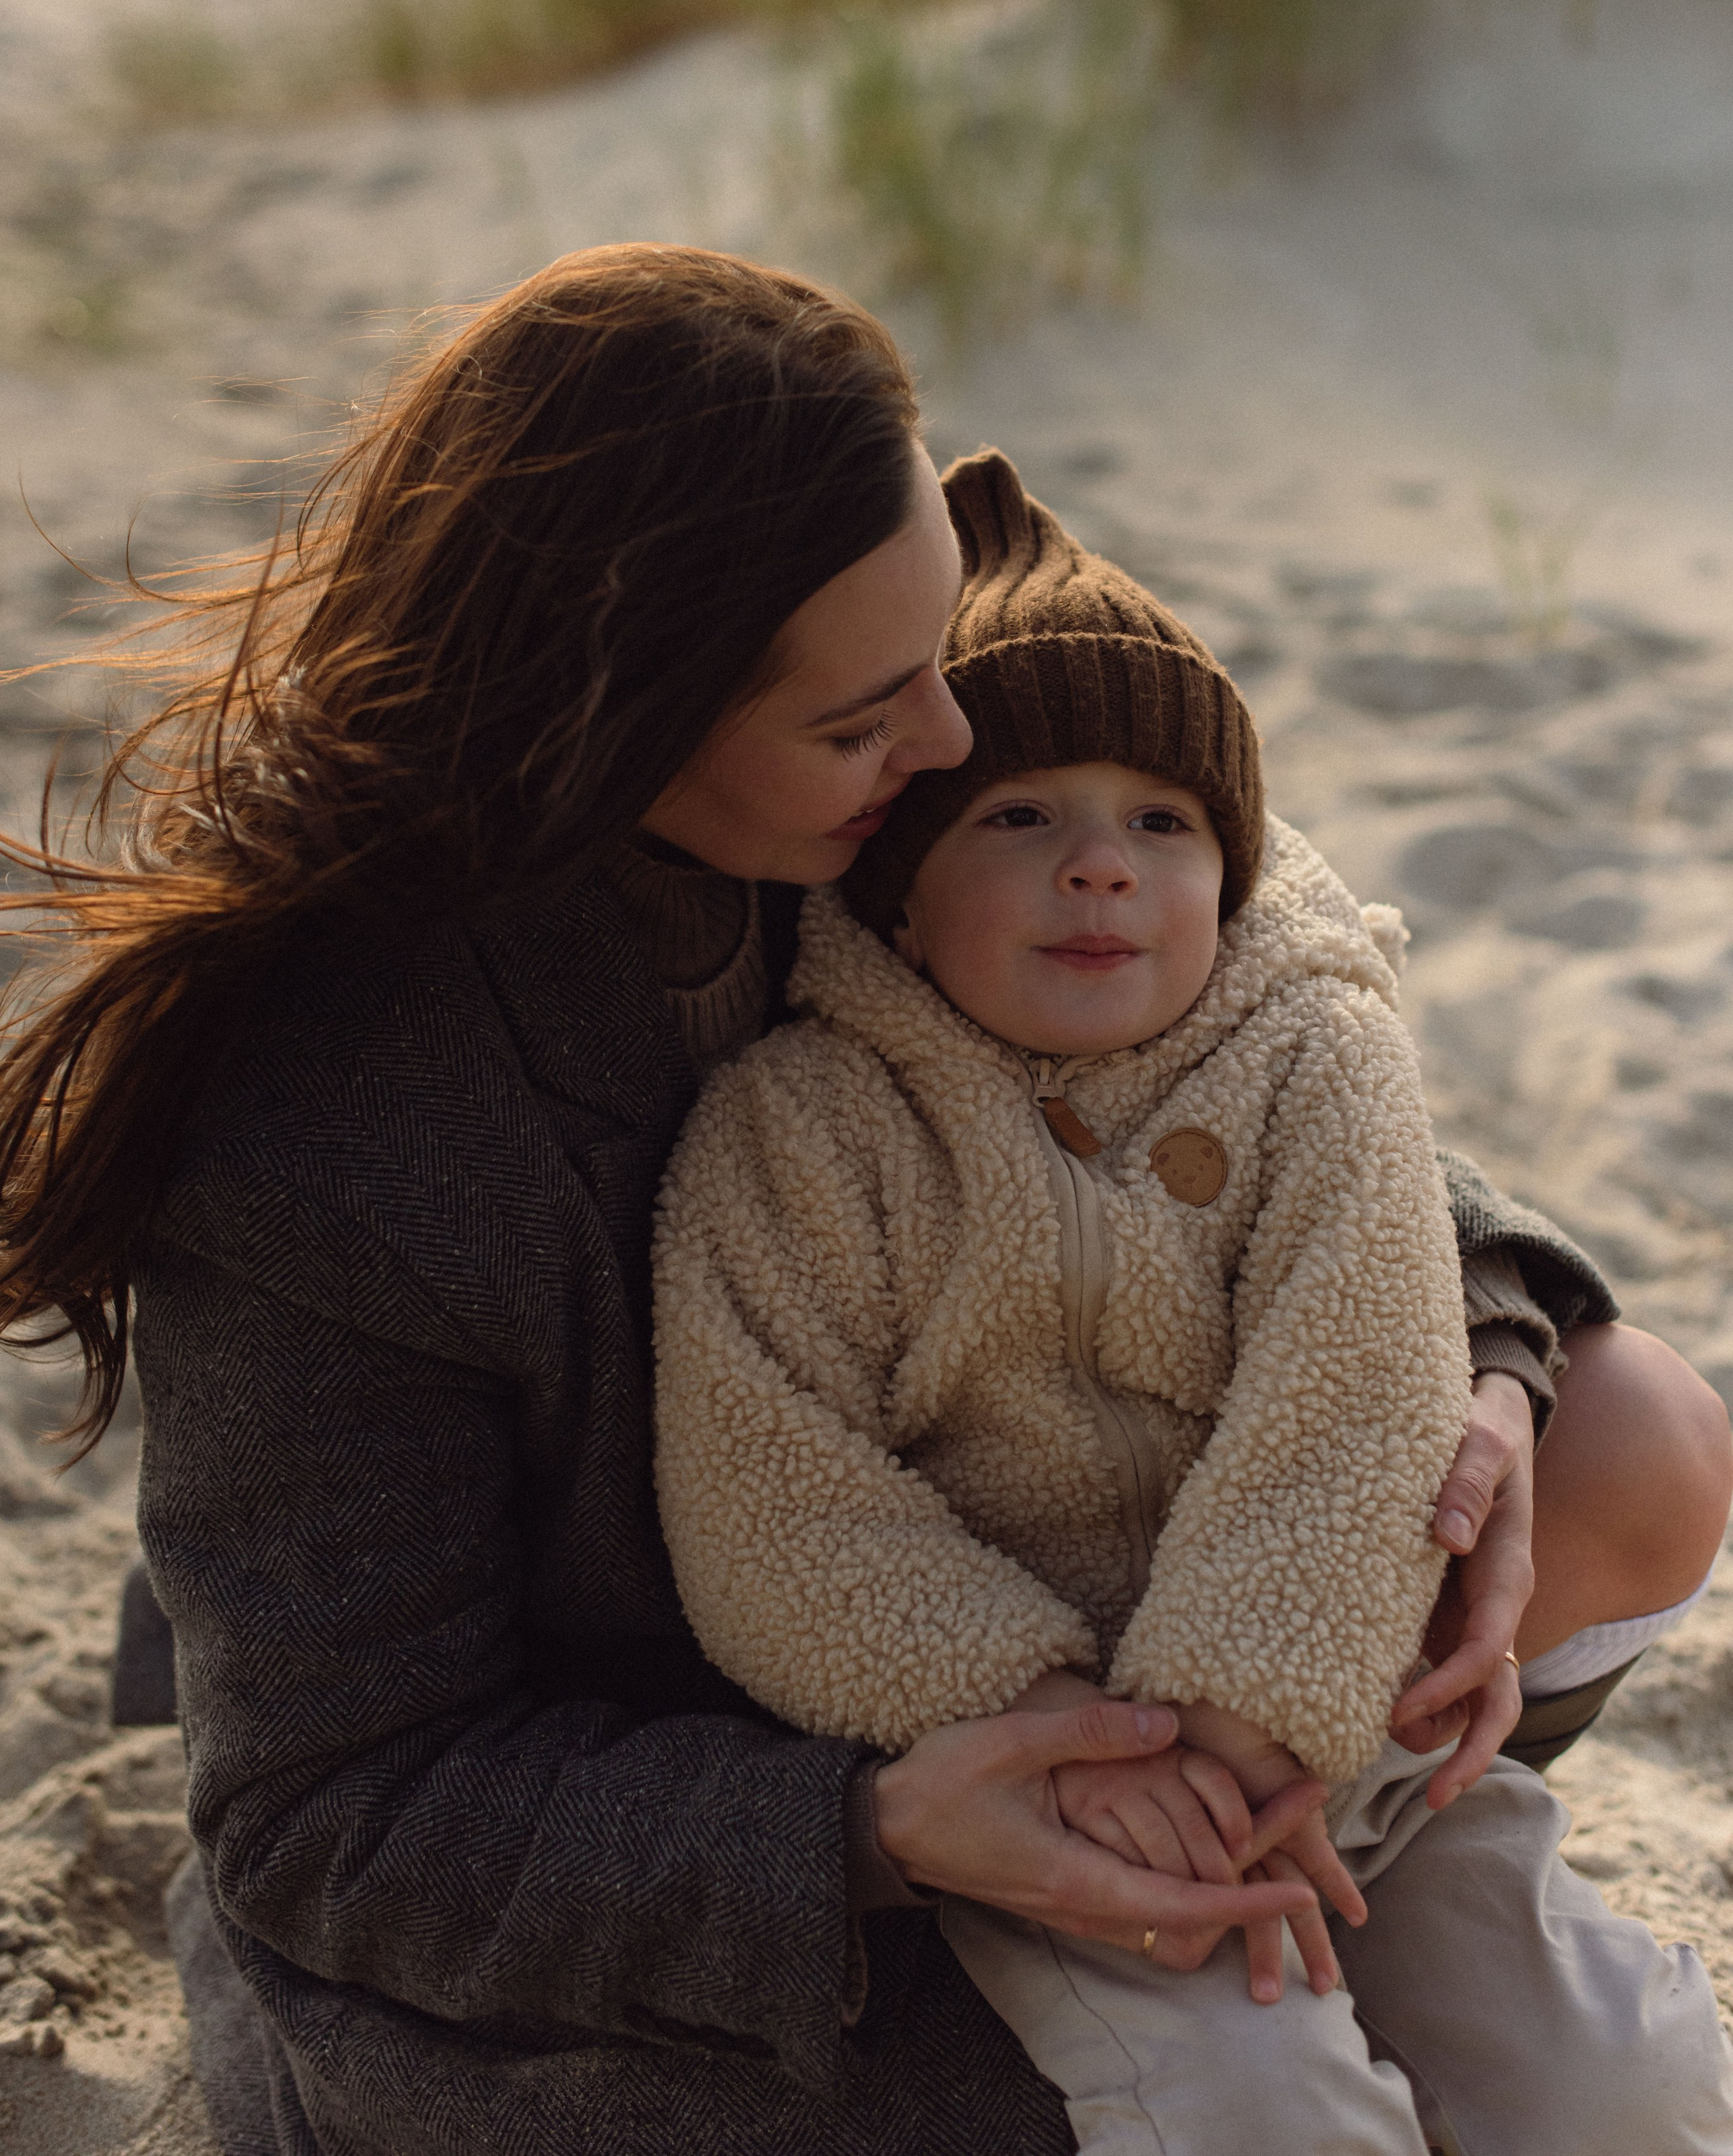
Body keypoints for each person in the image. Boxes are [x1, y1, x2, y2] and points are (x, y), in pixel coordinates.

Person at [0, 245, 1724, 2155]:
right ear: (623, 707)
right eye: (864, 715)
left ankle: (1312, 1857)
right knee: (1184, 2094)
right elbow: (334, 1820)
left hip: (1126, 1624)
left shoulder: (870, 801)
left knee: (1632, 1424)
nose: (957, 744)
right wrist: (872, 1831)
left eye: (934, 660)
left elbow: (1251, 1048)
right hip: (678, 1798)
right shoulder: (336, 1114)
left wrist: (1482, 1359)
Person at [653, 448, 1733, 2155]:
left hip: (1330, 1725)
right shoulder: (803, 1127)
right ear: (897, 887)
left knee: (1614, 2079)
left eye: (1159, 825)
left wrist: (1243, 1731)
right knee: (1254, 2098)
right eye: (1020, 820)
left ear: (1229, 877)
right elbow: (771, 1493)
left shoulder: (1309, 1062)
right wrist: (1051, 1735)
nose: (1100, 869)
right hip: (1048, 1788)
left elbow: (1364, 1376)